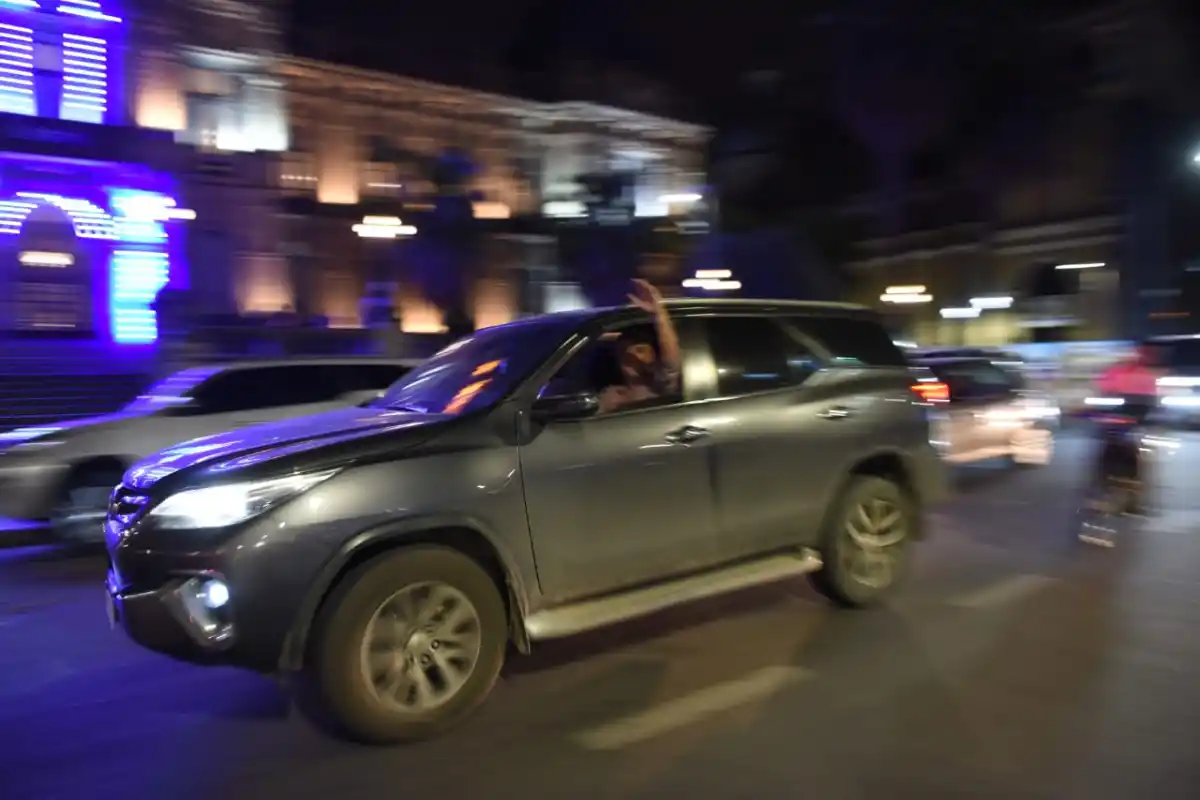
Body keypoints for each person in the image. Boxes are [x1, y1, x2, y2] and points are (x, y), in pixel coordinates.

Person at [1082, 342, 1162, 543]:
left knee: (1134, 460)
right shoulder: (1114, 373)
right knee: (1106, 457)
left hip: (1131, 424)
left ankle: (1132, 502)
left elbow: (1150, 403)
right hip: (1113, 424)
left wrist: (1141, 418)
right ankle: (1102, 491)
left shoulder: (1143, 375)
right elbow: (1101, 396)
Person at [598, 279, 681, 413]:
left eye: (640, 350)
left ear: (653, 356)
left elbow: (671, 365)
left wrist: (659, 315)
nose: (630, 355)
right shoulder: (611, 394)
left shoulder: (660, 387)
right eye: (623, 350)